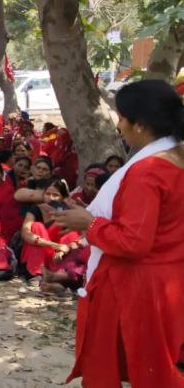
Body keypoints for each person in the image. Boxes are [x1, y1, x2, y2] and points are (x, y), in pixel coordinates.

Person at [54, 80, 184, 387]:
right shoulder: (177, 157)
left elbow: (133, 241)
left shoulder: (147, 171)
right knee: (154, 364)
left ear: (140, 124)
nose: (119, 124)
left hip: (135, 286)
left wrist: (89, 223)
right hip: (168, 279)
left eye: (122, 117)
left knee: (123, 367)